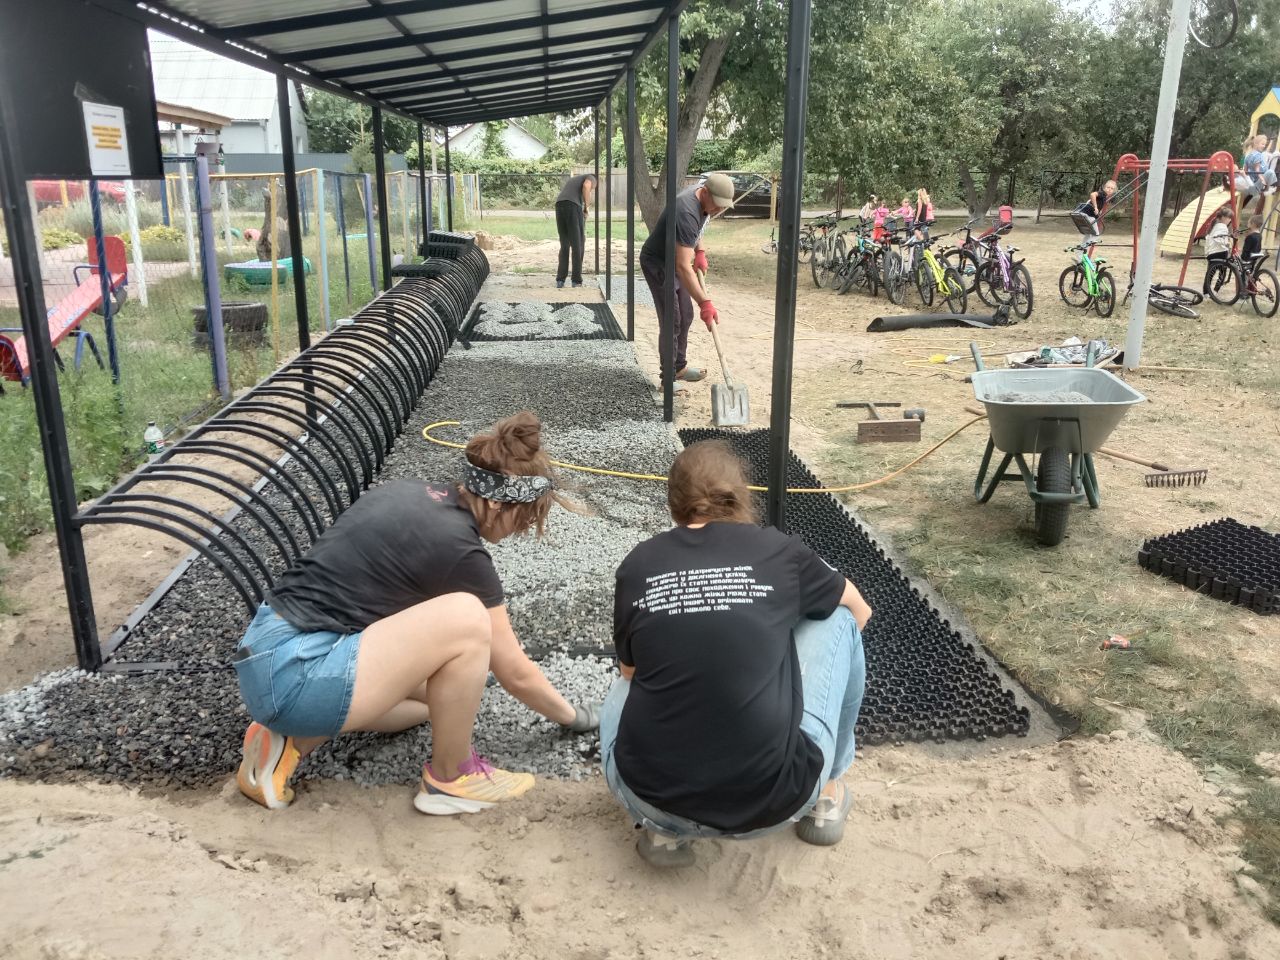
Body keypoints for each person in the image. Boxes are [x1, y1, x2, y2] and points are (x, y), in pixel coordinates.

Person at [232, 411, 599, 814]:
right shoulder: (458, 549)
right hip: (295, 676)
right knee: (468, 618)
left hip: (269, 652)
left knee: (441, 703)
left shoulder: (411, 494)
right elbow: (513, 670)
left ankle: (286, 742)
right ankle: (451, 778)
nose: (522, 527)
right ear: (495, 501)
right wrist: (575, 716)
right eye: (524, 514)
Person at [600, 440, 873, 868]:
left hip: (649, 796)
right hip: (776, 803)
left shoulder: (639, 563)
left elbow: (630, 670)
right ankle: (827, 793)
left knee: (626, 682)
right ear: (741, 497)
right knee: (837, 617)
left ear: (674, 505)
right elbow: (860, 611)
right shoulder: (779, 550)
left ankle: (664, 832)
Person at [638, 172, 736, 390]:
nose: (719, 210)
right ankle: (667, 380)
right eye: (717, 205)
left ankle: (679, 367)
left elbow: (697, 229)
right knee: (672, 318)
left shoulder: (704, 202)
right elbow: (683, 266)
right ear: (706, 192)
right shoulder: (685, 209)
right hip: (659, 263)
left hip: (673, 260)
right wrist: (705, 302)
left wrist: (700, 251)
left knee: (686, 314)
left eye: (723, 206)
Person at [555, 172, 597, 288]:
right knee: (578, 244)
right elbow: (587, 186)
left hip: (559, 205)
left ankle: (560, 280)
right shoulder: (591, 178)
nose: (593, 189)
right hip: (573, 207)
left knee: (564, 244)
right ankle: (576, 280)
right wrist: (586, 207)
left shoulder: (575, 179)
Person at [1202, 207, 1234, 294]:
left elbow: (1210, 239)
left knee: (1210, 273)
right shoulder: (1222, 226)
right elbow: (1218, 238)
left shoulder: (1214, 226)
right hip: (1220, 252)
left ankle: (1206, 292)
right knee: (1222, 273)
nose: (1230, 220)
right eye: (1229, 218)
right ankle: (1216, 291)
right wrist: (1226, 243)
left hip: (1212, 253)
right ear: (1224, 217)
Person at [1242, 214, 1266, 278]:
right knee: (1250, 273)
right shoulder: (1259, 235)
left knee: (1242, 274)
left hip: (1247, 259)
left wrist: (1242, 258)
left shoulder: (1250, 236)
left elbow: (1246, 249)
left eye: (1249, 223)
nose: (1248, 224)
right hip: (1254, 257)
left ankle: (1242, 286)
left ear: (1253, 224)